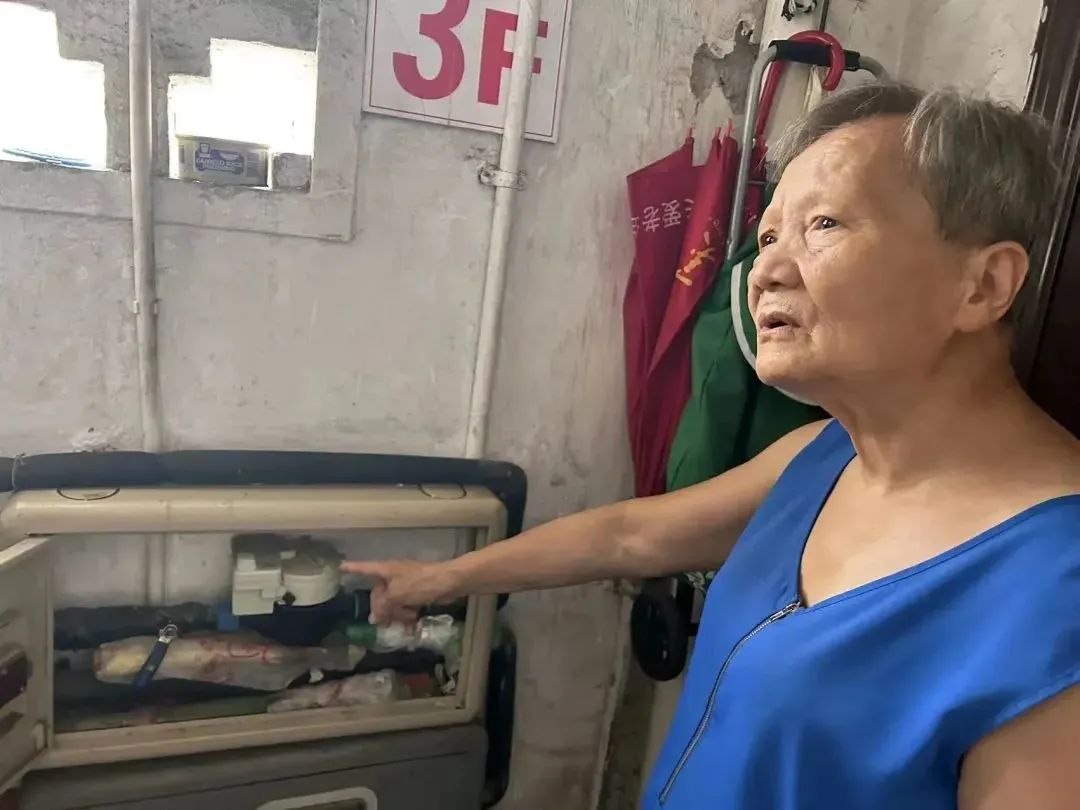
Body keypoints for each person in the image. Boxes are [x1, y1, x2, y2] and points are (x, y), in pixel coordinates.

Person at [343, 83, 1080, 810]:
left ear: (983, 285)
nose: (764, 272)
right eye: (769, 237)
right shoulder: (825, 455)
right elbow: (630, 537)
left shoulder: (1054, 588)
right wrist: (442, 579)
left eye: (824, 224)